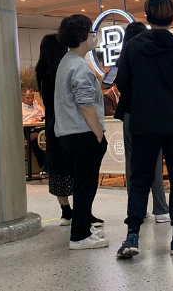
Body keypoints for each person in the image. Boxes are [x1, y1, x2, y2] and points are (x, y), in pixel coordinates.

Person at [115, 0, 173, 259]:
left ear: (147, 14)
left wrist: (140, 101)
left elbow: (122, 82)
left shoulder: (133, 46)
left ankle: (132, 236)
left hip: (144, 122)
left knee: (140, 178)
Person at [54, 14, 108, 250]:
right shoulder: (80, 67)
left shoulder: (66, 61)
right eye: (92, 32)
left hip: (67, 134)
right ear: (84, 36)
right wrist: (98, 132)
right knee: (86, 187)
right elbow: (85, 104)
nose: (94, 37)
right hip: (83, 134)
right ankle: (79, 236)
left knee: (81, 186)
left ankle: (83, 229)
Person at [114, 21, 170, 224]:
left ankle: (136, 209)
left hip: (129, 114)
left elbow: (120, 84)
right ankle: (161, 209)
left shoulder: (124, 58)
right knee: (154, 160)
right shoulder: (151, 55)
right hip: (150, 114)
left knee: (132, 162)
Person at [35, 34, 76, 227]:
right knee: (77, 168)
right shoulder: (64, 71)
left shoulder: (42, 72)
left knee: (58, 168)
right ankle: (84, 212)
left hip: (51, 123)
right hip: (67, 122)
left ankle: (66, 212)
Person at [21, 87, 46, 170]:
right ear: (22, 98)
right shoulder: (20, 109)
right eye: (27, 98)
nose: (30, 100)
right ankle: (42, 166)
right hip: (30, 130)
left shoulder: (38, 107)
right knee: (37, 139)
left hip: (42, 127)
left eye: (32, 97)